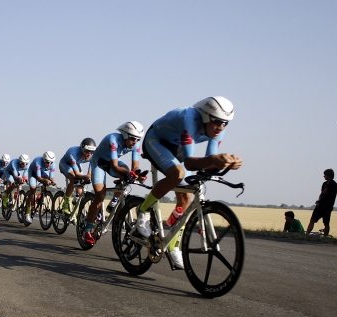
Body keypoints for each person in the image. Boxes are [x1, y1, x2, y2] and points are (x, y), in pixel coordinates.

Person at [133, 96, 243, 270]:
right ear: (206, 116)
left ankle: (172, 243)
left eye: (225, 123)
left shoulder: (218, 130)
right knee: (177, 173)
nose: (220, 128)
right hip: (156, 140)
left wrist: (225, 163)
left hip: (176, 147)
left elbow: (207, 162)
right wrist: (215, 159)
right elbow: (190, 162)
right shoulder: (189, 119)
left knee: (187, 197)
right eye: (217, 122)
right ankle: (143, 209)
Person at [82, 121, 145, 245]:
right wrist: (129, 174)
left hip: (111, 163)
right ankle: (87, 229)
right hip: (99, 163)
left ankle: (115, 199)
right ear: (125, 135)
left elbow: (135, 166)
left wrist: (138, 174)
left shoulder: (135, 145)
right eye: (133, 139)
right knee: (100, 195)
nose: (135, 142)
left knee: (128, 172)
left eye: (138, 140)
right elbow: (115, 166)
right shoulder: (113, 139)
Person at [305, 169, 337, 236]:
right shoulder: (324, 184)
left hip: (327, 207)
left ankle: (325, 237)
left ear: (328, 175)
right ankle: (307, 235)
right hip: (320, 205)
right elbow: (322, 194)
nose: (324, 176)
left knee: (326, 223)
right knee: (312, 220)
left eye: (325, 175)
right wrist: (318, 201)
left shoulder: (334, 184)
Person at [58, 138, 96, 215]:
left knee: (80, 188)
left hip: (76, 164)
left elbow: (92, 165)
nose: (89, 154)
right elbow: (77, 174)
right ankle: (65, 202)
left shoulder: (92, 155)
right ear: (82, 149)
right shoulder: (73, 153)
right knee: (74, 179)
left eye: (91, 152)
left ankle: (77, 200)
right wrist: (86, 176)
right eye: (86, 151)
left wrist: (89, 175)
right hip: (65, 164)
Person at [24, 151, 57, 224]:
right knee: (33, 189)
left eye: (51, 162)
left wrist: (52, 181)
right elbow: (39, 178)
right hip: (33, 173)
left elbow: (51, 177)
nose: (49, 164)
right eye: (47, 162)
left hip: (41, 172)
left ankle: (41, 195)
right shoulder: (38, 162)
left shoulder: (52, 164)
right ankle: (27, 213)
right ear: (44, 160)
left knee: (47, 180)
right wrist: (45, 180)